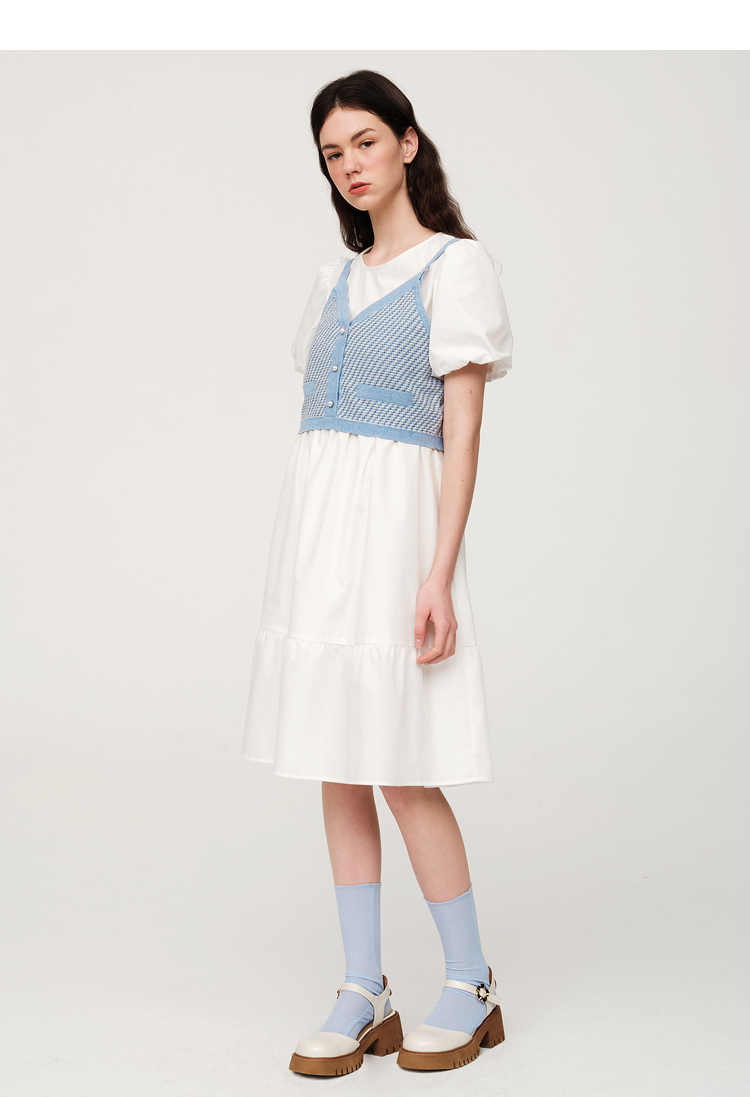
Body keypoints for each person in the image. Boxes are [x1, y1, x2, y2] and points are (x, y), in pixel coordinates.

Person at [242, 69, 513, 1075]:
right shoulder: (330, 281)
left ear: (407, 141)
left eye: (363, 141)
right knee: (336, 756)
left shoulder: (457, 267)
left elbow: (463, 434)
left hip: (399, 543)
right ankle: (364, 986)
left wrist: (438, 575)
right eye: (331, 153)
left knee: (403, 764)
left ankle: (471, 980)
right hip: (318, 547)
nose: (349, 164)